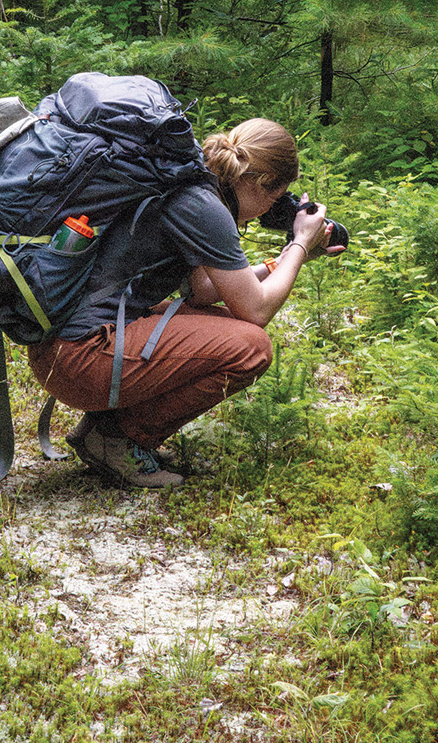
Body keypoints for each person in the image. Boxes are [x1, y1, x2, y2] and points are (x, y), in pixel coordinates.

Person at [26, 118, 341, 487]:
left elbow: (205, 290)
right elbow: (256, 311)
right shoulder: (202, 205)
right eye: (275, 198)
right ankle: (116, 440)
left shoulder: (189, 185)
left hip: (62, 349)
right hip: (81, 357)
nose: (271, 209)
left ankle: (105, 431)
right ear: (259, 182)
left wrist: (283, 258)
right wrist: (301, 244)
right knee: (250, 347)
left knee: (218, 321)